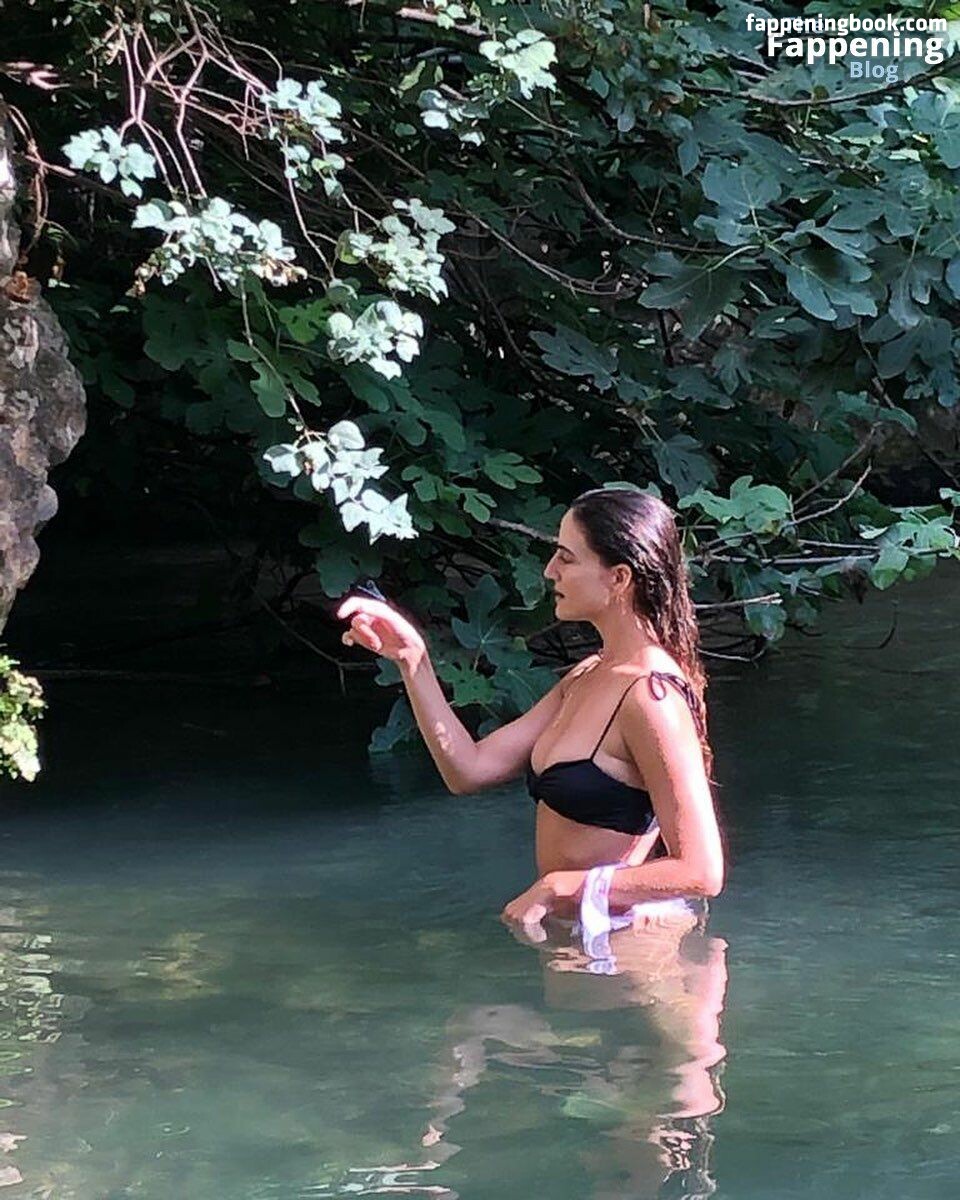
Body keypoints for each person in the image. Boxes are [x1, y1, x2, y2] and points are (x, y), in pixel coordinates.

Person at [337, 486, 724, 933]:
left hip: (627, 948)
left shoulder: (652, 697)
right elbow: (469, 769)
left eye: (566, 558)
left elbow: (702, 872)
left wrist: (558, 888)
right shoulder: (588, 674)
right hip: (575, 942)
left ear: (619, 578)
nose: (549, 570)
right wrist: (413, 660)